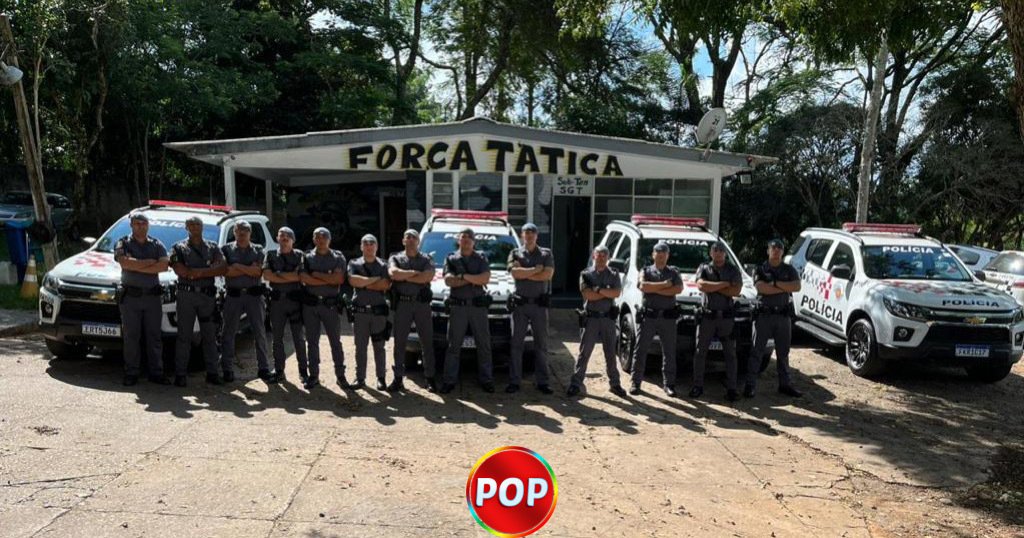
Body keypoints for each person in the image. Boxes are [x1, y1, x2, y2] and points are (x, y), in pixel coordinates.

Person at [114, 212, 170, 386]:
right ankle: (131, 372)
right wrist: (150, 263)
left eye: (144, 224)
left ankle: (156, 372)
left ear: (148, 225)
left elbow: (164, 266)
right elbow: (125, 263)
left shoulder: (157, 244)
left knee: (154, 336)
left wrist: (136, 264)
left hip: (152, 298)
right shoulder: (123, 242)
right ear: (131, 225)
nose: (141, 227)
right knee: (131, 336)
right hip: (131, 298)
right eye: (137, 224)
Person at [169, 216, 226, 386]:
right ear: (186, 227)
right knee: (184, 336)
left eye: (198, 224)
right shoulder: (178, 247)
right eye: (191, 224)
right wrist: (208, 269)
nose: (195, 227)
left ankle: (212, 373)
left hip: (207, 297)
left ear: (202, 227)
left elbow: (223, 267)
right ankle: (180, 374)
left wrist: (198, 273)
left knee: (209, 335)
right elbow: (181, 270)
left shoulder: (212, 247)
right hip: (186, 296)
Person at [744, 239, 803, 398]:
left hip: (782, 316)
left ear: (782, 252)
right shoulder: (761, 269)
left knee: (783, 353)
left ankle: (785, 384)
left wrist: (775, 283)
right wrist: (783, 287)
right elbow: (762, 288)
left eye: (779, 248)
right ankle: (750, 385)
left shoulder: (789, 269)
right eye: (773, 248)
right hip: (764, 316)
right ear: (768, 251)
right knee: (757, 352)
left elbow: (797, 286)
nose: (776, 250)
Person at [440, 228, 494, 395]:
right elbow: (449, 281)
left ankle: (486, 380)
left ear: (473, 241)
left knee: (484, 345)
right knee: (453, 346)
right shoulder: (451, 258)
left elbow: (485, 278)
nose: (466, 240)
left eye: (469, 237)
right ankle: (449, 381)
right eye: (463, 237)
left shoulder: (481, 257)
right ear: (459, 240)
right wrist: (473, 279)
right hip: (458, 307)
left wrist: (462, 277)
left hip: (478, 308)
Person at [567, 245, 625, 398]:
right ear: (594, 256)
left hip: (608, 319)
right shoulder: (586, 274)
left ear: (608, 258)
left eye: (604, 256)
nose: (601, 258)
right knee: (584, 353)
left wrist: (598, 290)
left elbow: (616, 293)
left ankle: (615, 384)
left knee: (610, 353)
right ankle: (576, 383)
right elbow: (588, 295)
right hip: (591, 319)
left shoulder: (613, 274)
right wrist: (606, 292)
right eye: (598, 255)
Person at [690, 241, 743, 401]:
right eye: (715, 250)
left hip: (726, 318)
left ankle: (732, 389)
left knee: (730, 354)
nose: (718, 253)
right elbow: (701, 285)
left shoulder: (732, 269)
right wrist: (724, 284)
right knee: (700, 353)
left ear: (725, 253)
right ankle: (697, 386)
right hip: (707, 317)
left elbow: (736, 290)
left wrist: (713, 286)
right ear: (711, 253)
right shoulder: (704, 268)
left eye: (721, 250)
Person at [630, 242, 684, 396]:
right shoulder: (645, 270)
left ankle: (669, 384)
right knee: (640, 350)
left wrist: (654, 289)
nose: (661, 256)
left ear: (668, 256)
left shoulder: (674, 272)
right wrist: (665, 285)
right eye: (658, 254)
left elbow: (678, 289)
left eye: (664, 254)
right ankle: (635, 382)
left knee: (669, 352)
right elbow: (643, 286)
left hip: (667, 318)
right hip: (649, 317)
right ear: (653, 255)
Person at [506, 222, 554, 395]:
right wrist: (535, 270)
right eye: (526, 233)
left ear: (536, 236)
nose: (529, 236)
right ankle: (514, 381)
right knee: (516, 345)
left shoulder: (546, 253)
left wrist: (525, 273)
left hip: (539, 306)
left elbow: (547, 275)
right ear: (522, 236)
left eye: (532, 233)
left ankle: (543, 382)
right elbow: (514, 273)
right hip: (520, 306)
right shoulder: (515, 253)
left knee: (541, 345)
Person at [220, 221, 270, 383]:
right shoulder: (226, 250)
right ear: (234, 232)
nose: (242, 234)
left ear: (250, 233)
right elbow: (226, 272)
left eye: (245, 231)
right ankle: (227, 369)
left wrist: (236, 266)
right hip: (233, 296)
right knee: (228, 332)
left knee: (259, 332)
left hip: (254, 296)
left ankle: (263, 368)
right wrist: (247, 268)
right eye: (239, 231)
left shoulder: (258, 249)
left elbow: (257, 272)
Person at [388, 229, 436, 392]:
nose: (410, 239)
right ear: (403, 241)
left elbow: (427, 276)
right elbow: (393, 274)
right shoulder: (395, 257)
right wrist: (415, 273)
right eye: (407, 236)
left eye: (413, 237)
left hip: (422, 305)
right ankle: (398, 378)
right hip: (403, 304)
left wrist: (405, 276)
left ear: (418, 241)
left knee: (427, 342)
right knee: (399, 342)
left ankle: (430, 378)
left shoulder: (426, 259)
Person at [299, 227, 347, 390]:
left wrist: (316, 275)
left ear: (329, 239)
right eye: (317, 237)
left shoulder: (338, 257)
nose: (321, 240)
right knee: (312, 342)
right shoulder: (306, 257)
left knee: (335, 341)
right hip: (311, 306)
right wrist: (328, 277)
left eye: (324, 237)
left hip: (330, 306)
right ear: (314, 239)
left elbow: (339, 279)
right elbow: (304, 278)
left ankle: (340, 375)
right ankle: (314, 375)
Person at [262, 227, 308, 384]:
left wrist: (278, 274)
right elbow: (266, 275)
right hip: (277, 303)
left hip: (295, 302)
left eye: (288, 236)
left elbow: (301, 276)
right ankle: (279, 371)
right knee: (277, 339)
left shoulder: (300, 255)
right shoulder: (270, 255)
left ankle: (303, 371)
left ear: (293, 240)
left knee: (299, 338)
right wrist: (291, 276)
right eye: (281, 235)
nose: (285, 238)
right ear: (277, 238)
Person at [347, 234, 392, 390]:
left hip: (378, 314)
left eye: (372, 243)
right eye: (365, 243)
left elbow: (385, 285)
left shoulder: (384, 265)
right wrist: (375, 279)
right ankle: (360, 378)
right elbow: (353, 281)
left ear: (376, 247)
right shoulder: (354, 263)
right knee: (360, 347)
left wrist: (363, 283)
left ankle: (381, 378)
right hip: (360, 313)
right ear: (361, 247)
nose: (369, 246)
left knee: (379, 346)